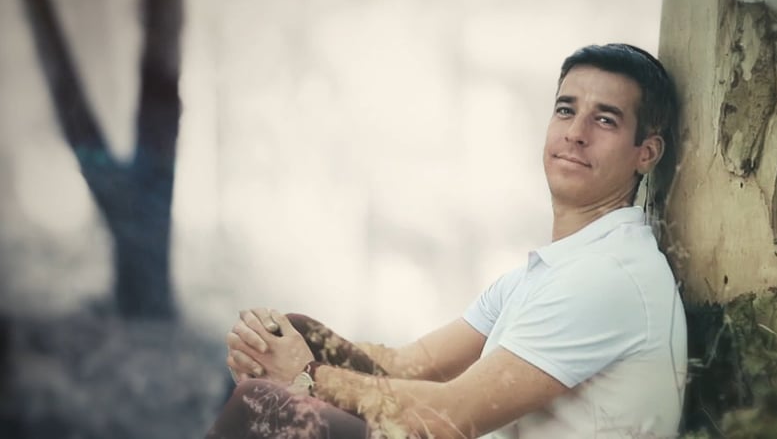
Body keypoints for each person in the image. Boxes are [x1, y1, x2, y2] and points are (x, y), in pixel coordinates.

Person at [205, 43, 688, 439]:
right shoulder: (552, 271)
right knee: (294, 336)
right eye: (566, 110)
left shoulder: (607, 277)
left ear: (646, 153)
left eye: (605, 120)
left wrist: (307, 376)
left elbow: (452, 417)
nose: (576, 133)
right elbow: (409, 365)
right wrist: (277, 348)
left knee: (261, 406)